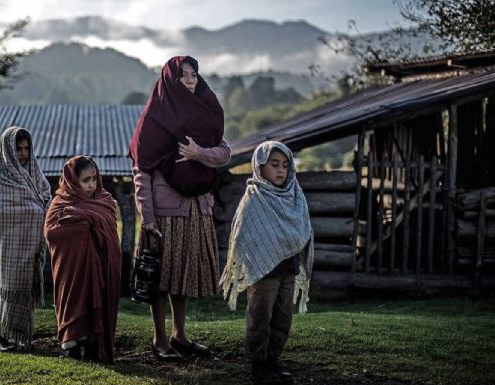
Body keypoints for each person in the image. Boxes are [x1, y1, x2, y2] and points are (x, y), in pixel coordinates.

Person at [129, 55, 231, 360]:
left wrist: (199, 153)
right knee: (162, 276)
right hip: (166, 212)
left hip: (197, 206)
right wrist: (147, 217)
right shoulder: (154, 118)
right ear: (170, 81)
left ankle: (180, 335)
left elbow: (225, 152)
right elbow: (141, 169)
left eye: (194, 74)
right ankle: (160, 340)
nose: (190, 80)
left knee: (182, 276)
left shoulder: (205, 115)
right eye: (183, 75)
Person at [220, 141, 314, 385]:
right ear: (259, 166)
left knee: (283, 319)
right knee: (260, 317)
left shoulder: (295, 195)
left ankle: (273, 361)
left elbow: (302, 228)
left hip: (289, 269)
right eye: (274, 165)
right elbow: (243, 236)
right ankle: (258, 365)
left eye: (285, 165)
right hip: (263, 272)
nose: (281, 170)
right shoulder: (254, 198)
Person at [44, 156, 122, 363]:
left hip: (100, 266)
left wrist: (82, 219)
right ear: (72, 180)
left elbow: (111, 234)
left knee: (97, 301)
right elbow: (51, 232)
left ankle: (94, 347)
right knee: (77, 298)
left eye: (94, 179)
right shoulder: (61, 203)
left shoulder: (104, 201)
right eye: (85, 180)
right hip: (73, 270)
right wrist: (79, 224)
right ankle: (73, 343)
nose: (91, 185)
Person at [0, 126, 52, 352]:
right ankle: (2, 332)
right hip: (12, 243)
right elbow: (6, 210)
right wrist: (34, 210)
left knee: (25, 288)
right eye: (18, 149)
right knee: (11, 286)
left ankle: (21, 336)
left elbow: (46, 197)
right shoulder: (3, 175)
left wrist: (39, 209)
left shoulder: (34, 171)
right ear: (8, 151)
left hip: (32, 244)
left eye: (26, 148)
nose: (24, 153)